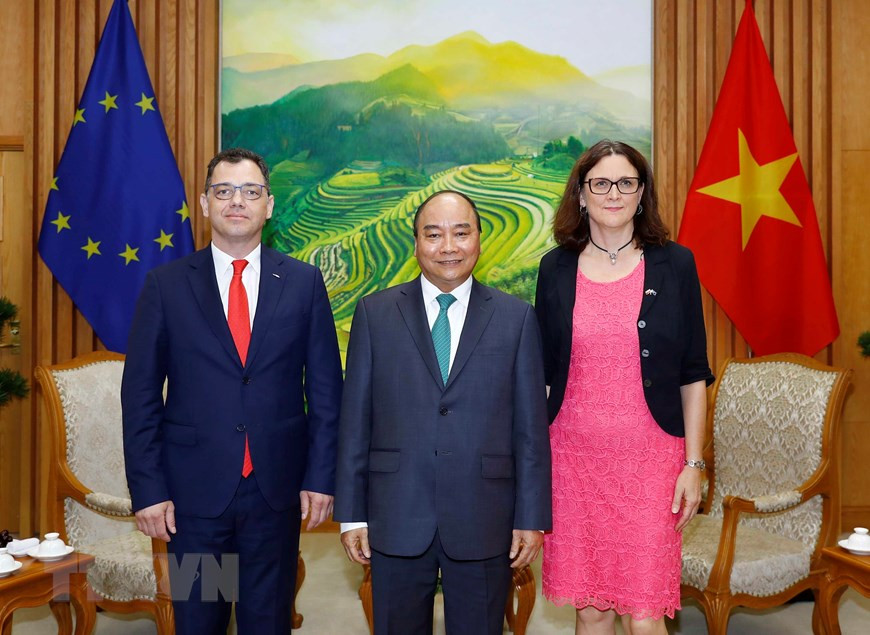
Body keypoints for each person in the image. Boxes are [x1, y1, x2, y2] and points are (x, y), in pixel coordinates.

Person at [121, 147, 343, 635]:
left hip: (275, 494)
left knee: (268, 623)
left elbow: (327, 392)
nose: (236, 201)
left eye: (250, 191)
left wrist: (322, 477)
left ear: (269, 204)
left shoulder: (304, 283)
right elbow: (139, 397)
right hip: (193, 500)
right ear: (204, 204)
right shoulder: (167, 286)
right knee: (201, 622)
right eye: (223, 191)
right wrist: (149, 490)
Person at [334, 190, 552, 635]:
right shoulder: (375, 314)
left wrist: (530, 518)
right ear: (415, 243)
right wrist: (352, 514)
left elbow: (531, 432)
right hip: (395, 514)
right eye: (433, 235)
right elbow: (354, 421)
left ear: (479, 240)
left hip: (484, 516)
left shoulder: (517, 319)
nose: (448, 246)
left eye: (460, 233)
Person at [535, 140, 714, 635]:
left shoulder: (675, 264)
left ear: (642, 194)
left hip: (653, 462)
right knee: (590, 610)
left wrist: (694, 465)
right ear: (581, 194)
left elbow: (693, 374)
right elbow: (545, 374)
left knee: (644, 613)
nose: (613, 193)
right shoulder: (554, 269)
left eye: (626, 183)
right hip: (573, 463)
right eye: (600, 183)